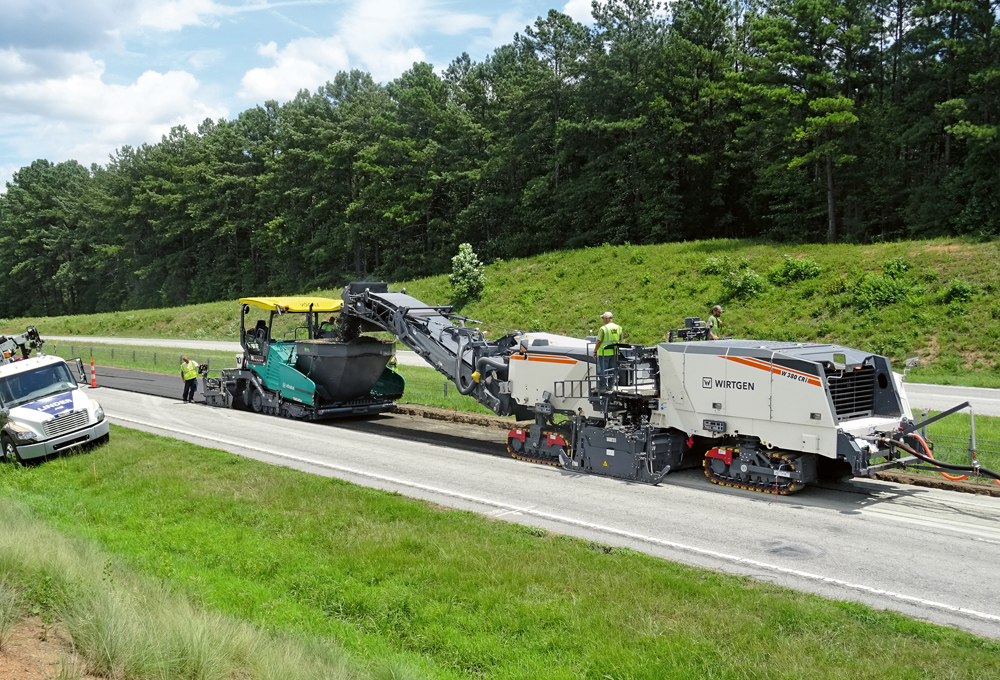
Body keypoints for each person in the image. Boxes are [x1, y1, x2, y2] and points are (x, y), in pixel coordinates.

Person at [592, 311, 622, 390]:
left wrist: (595, 351)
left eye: (603, 318)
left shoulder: (603, 329)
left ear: (606, 319)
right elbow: (620, 340)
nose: (603, 320)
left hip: (604, 352)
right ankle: (611, 386)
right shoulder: (618, 328)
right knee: (613, 369)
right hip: (614, 352)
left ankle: (603, 386)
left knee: (602, 370)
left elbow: (599, 341)